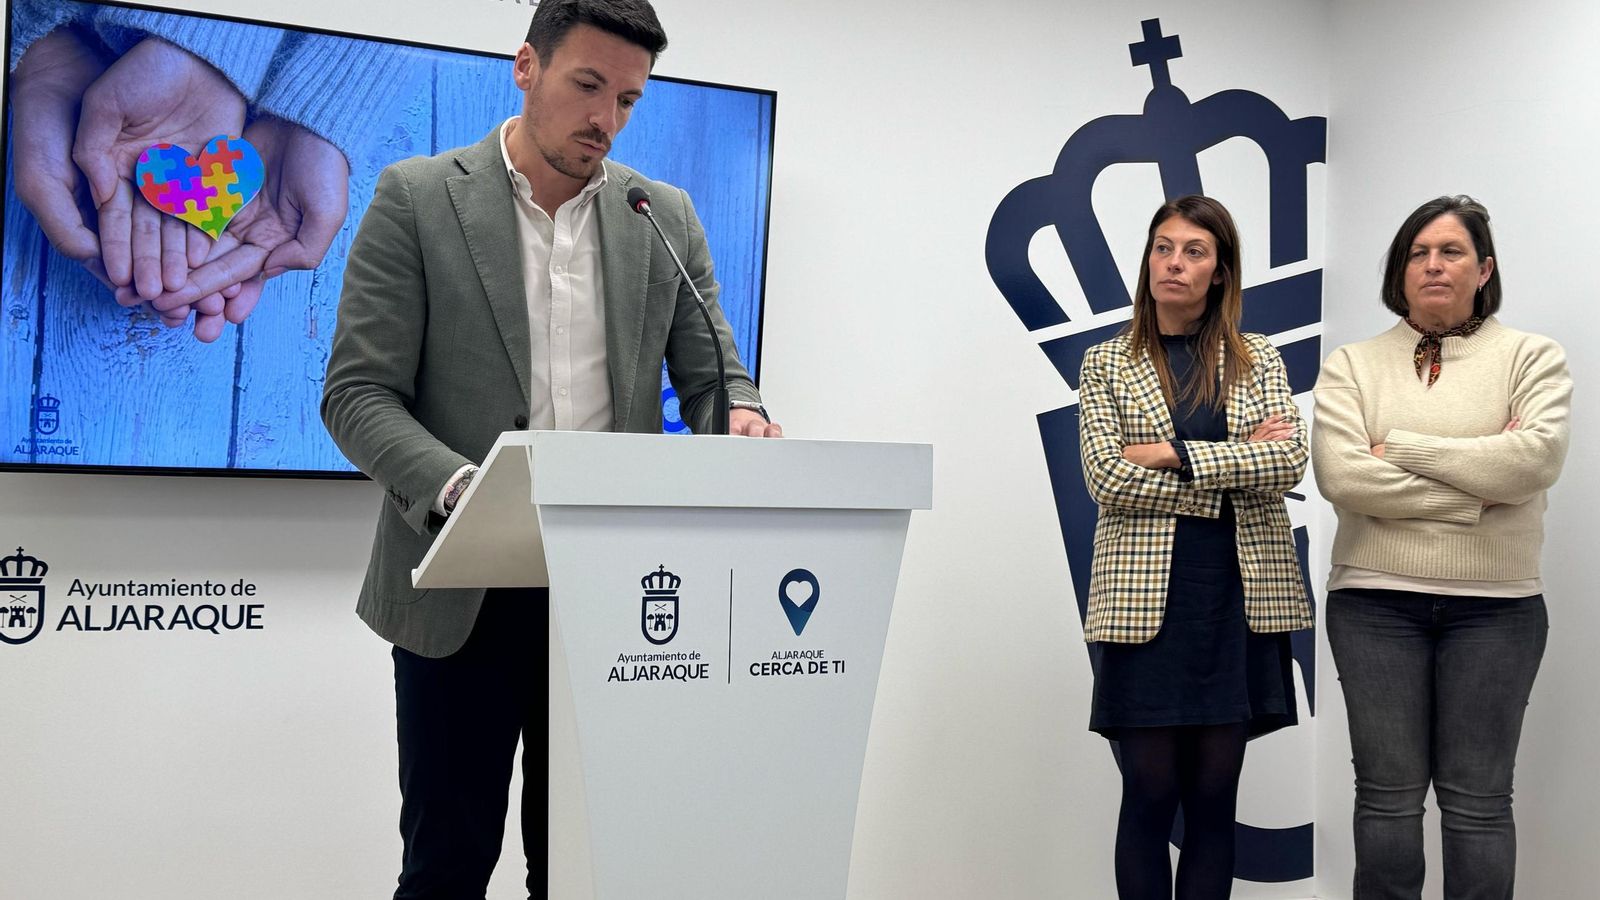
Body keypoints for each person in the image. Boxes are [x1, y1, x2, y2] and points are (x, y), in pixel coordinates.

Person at [320, 1, 780, 896]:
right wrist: (463, 489)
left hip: (619, 594)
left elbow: (718, 376)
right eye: (587, 86)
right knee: (448, 864)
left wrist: (743, 416)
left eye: (629, 100)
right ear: (526, 66)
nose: (605, 119)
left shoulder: (662, 214)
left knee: (585, 867)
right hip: (463, 587)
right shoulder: (417, 198)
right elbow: (356, 394)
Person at [1312, 195, 1570, 900]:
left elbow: (1534, 461)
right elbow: (1341, 475)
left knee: (1479, 805)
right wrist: (1474, 489)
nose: (1432, 265)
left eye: (1450, 251)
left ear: (1484, 269)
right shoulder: (1354, 365)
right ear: (1401, 271)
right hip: (1373, 605)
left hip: (1497, 610)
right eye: (1417, 253)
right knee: (1388, 802)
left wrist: (1397, 445)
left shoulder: (1531, 357)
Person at [1077, 195, 1312, 900]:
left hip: (1236, 603)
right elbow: (1106, 477)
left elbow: (1289, 463)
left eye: (1194, 252)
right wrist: (1232, 461)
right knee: (1148, 795)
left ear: (1221, 271)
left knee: (1214, 801)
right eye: (1163, 248)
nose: (1175, 263)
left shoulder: (1257, 356)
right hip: (1145, 611)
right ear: (1147, 260)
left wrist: (1175, 454)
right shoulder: (1107, 363)